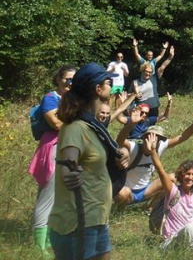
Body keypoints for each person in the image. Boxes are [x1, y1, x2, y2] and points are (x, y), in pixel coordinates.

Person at [48, 63, 130, 260]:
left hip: (97, 218)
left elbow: (94, 158)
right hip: (78, 223)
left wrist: (120, 153)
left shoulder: (93, 126)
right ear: (97, 89)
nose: (111, 85)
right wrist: (70, 175)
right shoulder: (75, 128)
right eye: (108, 82)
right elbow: (68, 165)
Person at [114, 106, 193, 208]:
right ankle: (122, 210)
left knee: (172, 178)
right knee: (122, 192)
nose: (153, 140)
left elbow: (182, 137)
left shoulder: (159, 146)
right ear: (144, 138)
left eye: (157, 138)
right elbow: (120, 141)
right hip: (128, 191)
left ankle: (151, 208)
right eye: (150, 136)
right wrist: (131, 124)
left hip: (146, 190)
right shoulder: (134, 147)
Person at [29, 65, 75, 255]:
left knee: (58, 197)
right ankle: (39, 245)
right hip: (53, 149)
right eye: (67, 79)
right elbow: (55, 123)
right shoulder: (50, 98)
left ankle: (48, 238)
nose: (70, 84)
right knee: (47, 196)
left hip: (67, 148)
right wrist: (76, 122)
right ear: (58, 79)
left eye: (74, 80)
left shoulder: (72, 99)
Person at [132, 41, 174, 118]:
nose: (148, 73)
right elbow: (137, 54)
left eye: (150, 71)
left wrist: (169, 56)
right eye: (146, 71)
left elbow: (162, 66)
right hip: (141, 108)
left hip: (153, 107)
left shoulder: (154, 74)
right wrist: (135, 46)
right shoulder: (136, 81)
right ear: (142, 70)